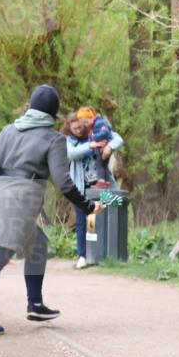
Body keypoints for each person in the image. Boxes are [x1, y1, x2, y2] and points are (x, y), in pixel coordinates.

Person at [0, 85, 104, 336]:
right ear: (53, 113)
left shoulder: (8, 130)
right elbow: (64, 183)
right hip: (22, 199)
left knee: (37, 244)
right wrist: (89, 206)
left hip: (1, 194)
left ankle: (35, 305)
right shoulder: (53, 139)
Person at [64, 112, 124, 268]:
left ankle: (107, 254)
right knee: (83, 221)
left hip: (101, 185)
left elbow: (118, 138)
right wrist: (90, 146)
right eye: (74, 128)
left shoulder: (95, 132)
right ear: (69, 129)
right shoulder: (69, 141)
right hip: (80, 187)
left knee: (105, 217)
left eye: (80, 127)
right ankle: (83, 255)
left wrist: (109, 146)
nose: (78, 130)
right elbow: (71, 154)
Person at [74, 107, 116, 188]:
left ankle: (101, 182)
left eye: (86, 122)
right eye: (83, 123)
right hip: (100, 148)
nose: (85, 125)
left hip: (102, 148)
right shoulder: (95, 125)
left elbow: (106, 132)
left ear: (91, 118)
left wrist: (95, 137)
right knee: (103, 165)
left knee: (99, 164)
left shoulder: (99, 123)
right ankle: (106, 182)